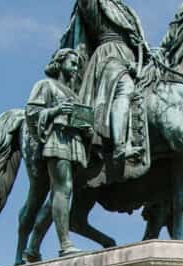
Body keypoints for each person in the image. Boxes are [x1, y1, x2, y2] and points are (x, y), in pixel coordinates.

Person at [21, 47, 91, 262]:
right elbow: (32, 113)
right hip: (56, 139)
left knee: (58, 196)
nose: (76, 67)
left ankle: (32, 247)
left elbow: (78, 118)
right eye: (73, 63)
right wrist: (57, 111)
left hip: (73, 141)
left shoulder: (74, 93)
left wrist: (85, 125)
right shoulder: (45, 85)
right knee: (63, 189)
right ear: (60, 62)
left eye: (78, 64)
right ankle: (64, 245)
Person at [60, 0, 149, 162]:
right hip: (109, 57)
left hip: (132, 60)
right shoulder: (97, 4)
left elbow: (139, 43)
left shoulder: (125, 10)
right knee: (126, 89)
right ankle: (120, 147)